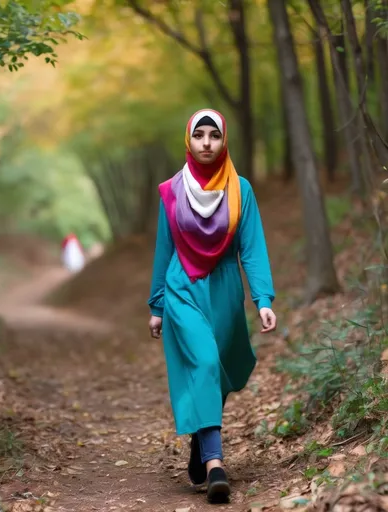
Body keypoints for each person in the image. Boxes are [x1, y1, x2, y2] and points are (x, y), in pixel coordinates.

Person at [147, 109, 276, 504]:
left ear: (224, 141)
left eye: (213, 136)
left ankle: (199, 445)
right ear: (188, 140)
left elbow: (251, 248)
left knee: (216, 373)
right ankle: (215, 464)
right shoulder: (172, 190)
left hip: (224, 290)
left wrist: (263, 298)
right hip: (182, 286)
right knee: (203, 362)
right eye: (199, 135)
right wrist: (157, 304)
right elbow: (164, 248)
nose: (206, 142)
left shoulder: (240, 189)